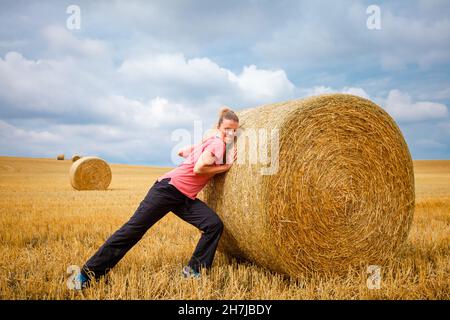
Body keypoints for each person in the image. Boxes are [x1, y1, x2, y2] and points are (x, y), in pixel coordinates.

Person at [75, 108, 239, 288]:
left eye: (234, 130)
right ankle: (86, 274)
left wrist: (200, 148)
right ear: (219, 127)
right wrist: (225, 167)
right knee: (133, 230)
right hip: (167, 191)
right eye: (227, 129)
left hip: (184, 196)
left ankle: (194, 271)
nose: (230, 133)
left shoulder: (210, 141)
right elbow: (199, 168)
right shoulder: (218, 144)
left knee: (213, 225)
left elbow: (182, 152)